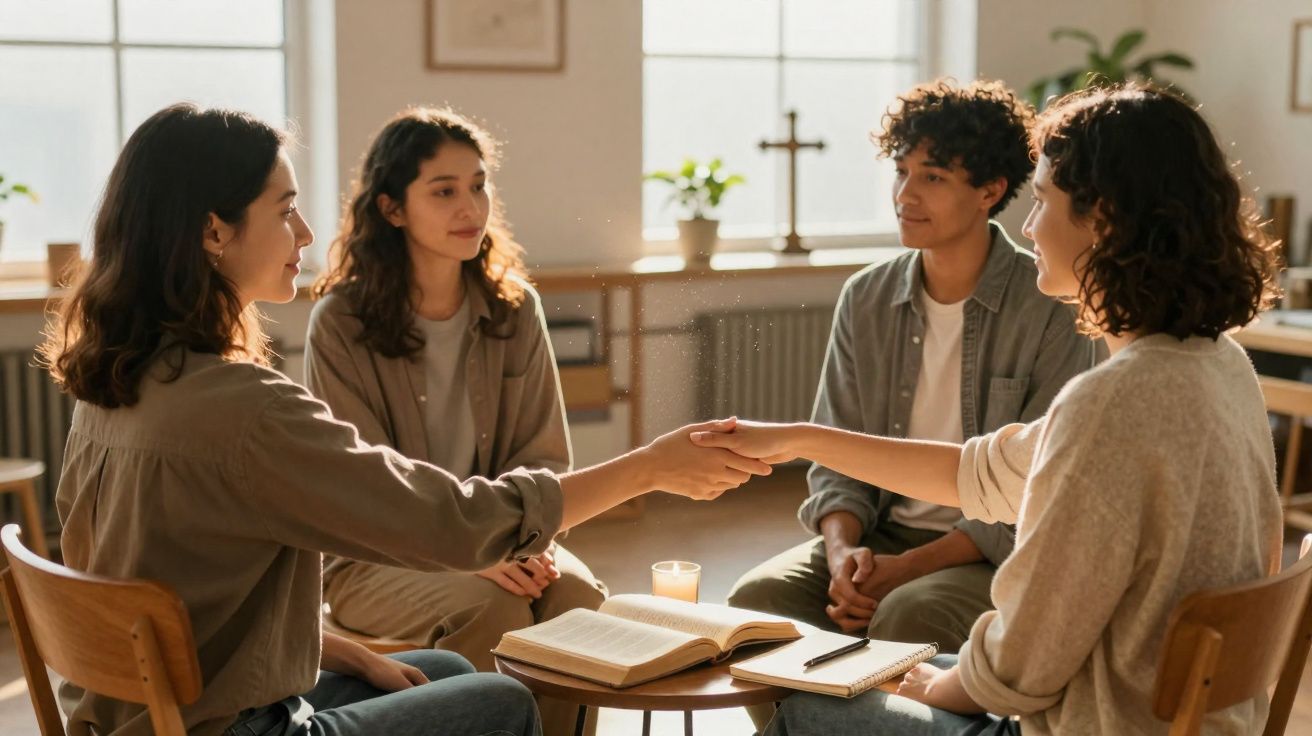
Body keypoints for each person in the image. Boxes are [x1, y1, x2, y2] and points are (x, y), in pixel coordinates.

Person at [39, 102, 770, 736]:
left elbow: (180, 604)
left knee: (447, 669)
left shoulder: (116, 386)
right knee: (501, 706)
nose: (303, 231)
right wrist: (649, 467)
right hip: (240, 724)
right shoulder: (248, 410)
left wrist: (348, 651)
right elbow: (441, 521)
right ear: (212, 232)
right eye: (284, 207)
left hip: (147, 713)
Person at [692, 83, 1284, 735]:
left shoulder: (1112, 400)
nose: (1027, 226)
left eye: (1046, 204)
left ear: (1104, 220)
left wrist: (950, 683)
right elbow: (976, 474)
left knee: (808, 708)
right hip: (1154, 712)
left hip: (1088, 722)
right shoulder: (1222, 364)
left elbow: (1024, 660)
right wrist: (804, 438)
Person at [727, 80, 1099, 660]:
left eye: (933, 177)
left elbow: (1034, 492)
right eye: (901, 172)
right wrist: (844, 555)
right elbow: (836, 463)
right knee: (758, 602)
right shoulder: (866, 297)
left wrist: (908, 569)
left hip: (991, 548)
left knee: (908, 613)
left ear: (990, 191)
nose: (905, 194)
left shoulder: (1051, 305)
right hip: (879, 533)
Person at [305, 107, 605, 736]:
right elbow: (362, 491)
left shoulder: (515, 308)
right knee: (490, 606)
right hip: (374, 557)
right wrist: (469, 552)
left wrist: (510, 541)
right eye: (443, 191)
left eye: (478, 184)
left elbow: (546, 458)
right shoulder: (340, 322)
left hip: (506, 538)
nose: (470, 206)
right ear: (391, 209)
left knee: (580, 602)